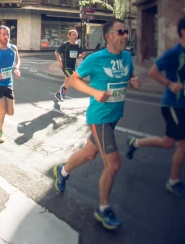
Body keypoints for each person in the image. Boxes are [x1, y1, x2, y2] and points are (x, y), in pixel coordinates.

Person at [52, 19, 140, 231]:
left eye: (126, 32)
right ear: (109, 37)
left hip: (114, 116)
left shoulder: (127, 57)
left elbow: (129, 75)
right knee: (113, 164)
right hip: (99, 117)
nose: (125, 35)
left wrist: (133, 81)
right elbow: (74, 80)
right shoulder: (96, 59)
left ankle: (62, 171)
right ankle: (104, 208)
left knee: (89, 153)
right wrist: (93, 92)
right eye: (121, 32)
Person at [125, 16, 185, 199]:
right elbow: (153, 71)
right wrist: (169, 84)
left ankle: (135, 143)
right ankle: (173, 182)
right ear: (184, 31)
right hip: (172, 104)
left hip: (183, 103)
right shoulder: (174, 52)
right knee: (184, 145)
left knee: (168, 142)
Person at [54, 30, 83, 102]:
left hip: (72, 66)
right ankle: (62, 91)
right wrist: (60, 62)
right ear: (69, 36)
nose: (75, 36)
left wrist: (80, 56)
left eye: (76, 35)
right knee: (74, 79)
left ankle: (59, 94)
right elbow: (56, 52)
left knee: (67, 82)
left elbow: (77, 56)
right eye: (73, 35)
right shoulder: (65, 45)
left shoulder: (77, 45)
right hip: (66, 66)